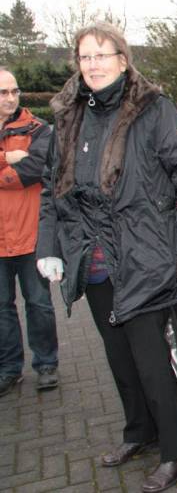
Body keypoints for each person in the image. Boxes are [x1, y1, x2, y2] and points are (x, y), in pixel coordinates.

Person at [36, 22, 177, 493]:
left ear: (122, 60)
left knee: (151, 359)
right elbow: (53, 189)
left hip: (144, 257)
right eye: (85, 57)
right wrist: (49, 247)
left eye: (101, 55)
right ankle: (140, 431)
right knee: (118, 356)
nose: (92, 64)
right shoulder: (69, 115)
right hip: (92, 258)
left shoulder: (153, 109)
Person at [0, 68, 59, 397]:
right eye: (3, 93)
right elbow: (16, 170)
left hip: (30, 236)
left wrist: (14, 167)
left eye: (14, 91)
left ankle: (46, 364)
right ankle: (9, 369)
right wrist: (7, 157)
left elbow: (33, 171)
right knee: (1, 309)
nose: (10, 98)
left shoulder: (38, 129)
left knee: (39, 304)